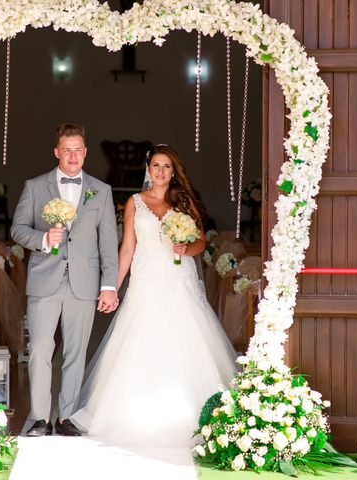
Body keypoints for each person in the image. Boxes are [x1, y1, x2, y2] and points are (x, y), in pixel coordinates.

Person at [71, 144, 237, 447]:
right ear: (148, 168)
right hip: (146, 282)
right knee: (138, 343)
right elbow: (127, 248)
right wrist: (112, 287)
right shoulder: (135, 202)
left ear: (174, 172)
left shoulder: (183, 200)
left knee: (185, 341)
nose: (161, 172)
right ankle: (131, 417)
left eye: (167, 167)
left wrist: (186, 248)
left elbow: (201, 241)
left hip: (178, 281)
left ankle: (191, 417)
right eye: (156, 166)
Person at [11, 124, 119, 437]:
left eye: (78, 149)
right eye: (66, 150)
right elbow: (18, 230)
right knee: (41, 350)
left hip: (83, 283)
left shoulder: (101, 190)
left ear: (85, 152)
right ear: (57, 152)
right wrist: (43, 238)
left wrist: (108, 285)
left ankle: (67, 417)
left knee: (75, 351)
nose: (72, 156)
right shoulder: (35, 186)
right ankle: (40, 418)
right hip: (45, 280)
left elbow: (108, 244)